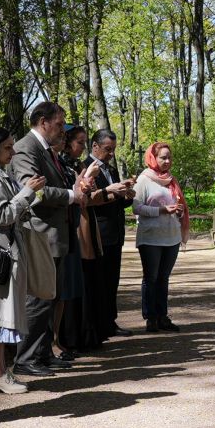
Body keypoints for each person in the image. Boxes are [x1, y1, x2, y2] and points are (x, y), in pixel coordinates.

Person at [9, 102, 87, 377]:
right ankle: (26, 358)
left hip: (55, 236)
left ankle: (42, 354)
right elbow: (33, 192)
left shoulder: (45, 150)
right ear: (43, 122)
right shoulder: (25, 148)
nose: (62, 130)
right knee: (39, 299)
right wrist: (71, 196)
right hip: (39, 235)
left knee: (50, 299)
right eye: (59, 123)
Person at [0, 126, 45, 395]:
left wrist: (28, 194)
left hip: (8, 249)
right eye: (7, 148)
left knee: (4, 313)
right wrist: (27, 192)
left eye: (12, 147)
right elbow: (2, 215)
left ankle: (0, 372)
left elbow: (12, 210)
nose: (12, 152)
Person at [132, 141, 190, 332]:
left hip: (171, 235)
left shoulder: (171, 180)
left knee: (164, 277)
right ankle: (151, 317)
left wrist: (179, 211)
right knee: (151, 277)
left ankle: (162, 316)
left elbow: (176, 204)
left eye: (169, 157)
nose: (167, 161)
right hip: (151, 237)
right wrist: (162, 210)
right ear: (153, 158)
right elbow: (136, 207)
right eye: (163, 157)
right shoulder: (144, 179)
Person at [57, 125, 104, 353]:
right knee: (69, 285)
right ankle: (67, 338)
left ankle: (85, 335)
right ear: (67, 142)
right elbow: (75, 196)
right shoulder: (60, 164)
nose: (82, 147)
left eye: (84, 142)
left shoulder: (77, 164)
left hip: (83, 225)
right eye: (79, 142)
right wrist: (86, 180)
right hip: (71, 229)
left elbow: (86, 196)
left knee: (84, 283)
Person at [86, 129, 135, 338]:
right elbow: (91, 202)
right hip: (99, 233)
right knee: (99, 281)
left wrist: (127, 196)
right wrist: (113, 193)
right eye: (108, 150)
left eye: (113, 150)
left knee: (112, 280)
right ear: (95, 146)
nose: (111, 154)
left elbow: (115, 202)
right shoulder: (87, 169)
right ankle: (98, 324)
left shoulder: (112, 170)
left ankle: (110, 321)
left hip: (115, 233)